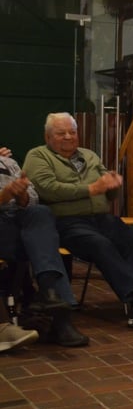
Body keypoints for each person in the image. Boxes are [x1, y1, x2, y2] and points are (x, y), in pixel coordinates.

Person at [22, 112, 133, 330]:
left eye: (72, 132)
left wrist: (113, 185)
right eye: (61, 133)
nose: (68, 137)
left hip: (102, 218)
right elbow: (48, 189)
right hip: (66, 221)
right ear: (47, 137)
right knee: (99, 244)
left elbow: (108, 190)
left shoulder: (89, 155)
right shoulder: (38, 156)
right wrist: (91, 188)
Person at [0, 146, 89, 347]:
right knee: (43, 243)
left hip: (19, 225)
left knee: (40, 213)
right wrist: (4, 196)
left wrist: (21, 196)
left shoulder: (7, 162)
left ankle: (49, 292)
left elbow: (33, 198)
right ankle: (61, 321)